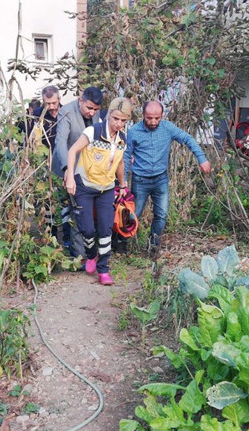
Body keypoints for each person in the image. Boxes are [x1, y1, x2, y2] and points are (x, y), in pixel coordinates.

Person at [124, 100, 211, 255]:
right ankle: (123, 245)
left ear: (161, 116)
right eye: (149, 118)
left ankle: (153, 247)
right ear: (143, 115)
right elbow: (126, 156)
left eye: (157, 118)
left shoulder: (167, 128)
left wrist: (202, 159)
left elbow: (188, 139)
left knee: (161, 215)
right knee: (133, 215)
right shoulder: (133, 132)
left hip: (160, 179)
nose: (153, 121)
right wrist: (123, 179)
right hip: (140, 180)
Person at [64, 97, 133, 286]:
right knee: (87, 229)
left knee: (105, 229)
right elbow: (72, 151)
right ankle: (91, 255)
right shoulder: (92, 131)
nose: (119, 124)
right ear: (109, 115)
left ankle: (103, 270)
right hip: (85, 186)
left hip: (106, 188)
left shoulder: (121, 140)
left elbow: (119, 162)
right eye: (116, 118)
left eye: (123, 121)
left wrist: (122, 185)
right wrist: (70, 177)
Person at [53, 86, 106, 258]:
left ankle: (87, 250)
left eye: (96, 110)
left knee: (84, 210)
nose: (92, 113)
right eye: (89, 108)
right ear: (80, 100)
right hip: (67, 165)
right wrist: (67, 170)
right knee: (77, 209)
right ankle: (79, 255)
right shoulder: (66, 112)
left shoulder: (96, 113)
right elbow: (60, 142)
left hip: (89, 167)